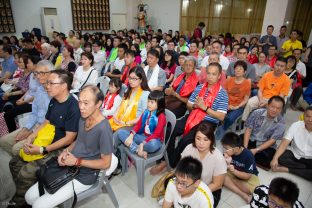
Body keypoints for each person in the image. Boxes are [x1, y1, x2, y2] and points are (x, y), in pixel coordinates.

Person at [25, 85, 113, 208]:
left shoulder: (104, 129)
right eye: (80, 102)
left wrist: (77, 161)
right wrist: (65, 152)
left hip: (84, 175)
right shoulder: (83, 118)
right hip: (70, 164)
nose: (81, 107)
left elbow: (106, 163)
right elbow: (79, 141)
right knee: (29, 197)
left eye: (86, 103)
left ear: (98, 104)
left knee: (38, 205)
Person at [8, 70, 80, 207]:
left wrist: (42, 149)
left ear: (64, 86)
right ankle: (29, 190)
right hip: (46, 140)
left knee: (25, 173)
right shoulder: (54, 100)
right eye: (47, 83)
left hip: (59, 148)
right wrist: (32, 136)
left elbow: (69, 139)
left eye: (51, 83)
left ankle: (19, 202)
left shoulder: (73, 107)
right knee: (14, 163)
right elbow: (46, 122)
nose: (47, 86)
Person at [151, 63, 228, 174]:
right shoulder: (200, 88)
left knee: (186, 140)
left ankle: (169, 163)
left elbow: (221, 116)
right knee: (170, 129)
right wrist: (195, 106)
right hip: (193, 116)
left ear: (219, 75)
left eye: (214, 74)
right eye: (209, 73)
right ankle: (168, 157)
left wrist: (204, 108)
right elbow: (189, 105)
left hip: (208, 122)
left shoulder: (222, 93)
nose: (210, 76)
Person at [0, 60, 52, 156]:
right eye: (36, 73)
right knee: (3, 141)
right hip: (35, 125)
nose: (38, 76)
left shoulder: (54, 93)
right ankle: (20, 162)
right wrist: (26, 128)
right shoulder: (40, 89)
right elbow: (34, 113)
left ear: (51, 74)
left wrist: (32, 132)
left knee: (16, 149)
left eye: (42, 73)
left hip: (45, 129)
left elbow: (49, 121)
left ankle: (26, 164)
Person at [181, 121, 226, 207]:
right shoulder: (189, 148)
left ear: (211, 140)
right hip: (189, 184)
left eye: (206, 139)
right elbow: (181, 170)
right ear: (194, 138)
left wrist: (195, 192)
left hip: (209, 189)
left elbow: (217, 184)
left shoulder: (218, 158)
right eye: (198, 138)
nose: (201, 143)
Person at [117, 90, 166, 159]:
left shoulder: (161, 117)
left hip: (154, 140)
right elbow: (138, 125)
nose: (149, 104)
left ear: (159, 104)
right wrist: (131, 135)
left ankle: (135, 146)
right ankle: (138, 150)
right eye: (148, 101)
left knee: (154, 145)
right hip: (142, 136)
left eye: (152, 102)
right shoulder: (146, 111)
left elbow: (156, 134)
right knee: (120, 132)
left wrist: (143, 143)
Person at [243, 96, 286, 169]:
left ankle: (246, 156)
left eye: (278, 108)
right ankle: (248, 155)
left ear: (281, 110)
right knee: (235, 143)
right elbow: (248, 130)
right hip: (251, 139)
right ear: (268, 105)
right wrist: (245, 147)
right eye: (272, 107)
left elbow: (272, 141)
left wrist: (256, 150)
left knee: (268, 161)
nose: (274, 110)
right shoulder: (257, 113)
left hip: (265, 146)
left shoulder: (281, 123)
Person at [270, 106, 312, 181]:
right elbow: (284, 143)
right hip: (295, 155)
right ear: (304, 115)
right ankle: (304, 168)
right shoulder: (296, 125)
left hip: (310, 158)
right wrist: (275, 158)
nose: (310, 120)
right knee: (280, 156)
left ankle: (287, 169)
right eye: (308, 116)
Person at [109, 66, 150, 136]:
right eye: (130, 78)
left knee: (115, 135)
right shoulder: (128, 90)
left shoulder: (145, 94)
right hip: (120, 119)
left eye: (134, 79)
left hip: (133, 125)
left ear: (141, 80)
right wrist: (115, 115)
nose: (131, 81)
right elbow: (120, 105)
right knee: (103, 127)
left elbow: (143, 117)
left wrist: (126, 123)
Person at [4, 56, 41, 133]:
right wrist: (21, 99)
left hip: (33, 103)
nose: (27, 65)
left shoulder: (40, 77)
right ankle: (12, 131)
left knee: (8, 115)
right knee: (7, 107)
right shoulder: (32, 74)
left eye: (29, 63)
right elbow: (29, 90)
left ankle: (13, 134)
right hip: (26, 99)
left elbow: (38, 95)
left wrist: (23, 101)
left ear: (35, 65)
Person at [216, 61, 251, 140]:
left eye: (240, 69)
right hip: (226, 104)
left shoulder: (247, 83)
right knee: (217, 113)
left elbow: (246, 99)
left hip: (239, 106)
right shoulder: (229, 80)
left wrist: (237, 107)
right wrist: (226, 105)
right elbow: (223, 94)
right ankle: (216, 126)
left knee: (230, 118)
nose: (238, 70)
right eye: (236, 68)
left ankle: (223, 128)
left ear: (244, 72)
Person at [221, 132, 260, 203]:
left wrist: (233, 171)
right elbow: (221, 166)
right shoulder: (228, 153)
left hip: (249, 175)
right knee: (221, 175)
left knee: (254, 189)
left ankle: (231, 182)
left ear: (236, 149)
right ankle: (242, 194)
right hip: (233, 172)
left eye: (226, 148)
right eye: (223, 148)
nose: (224, 150)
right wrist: (225, 160)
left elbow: (247, 176)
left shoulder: (248, 155)